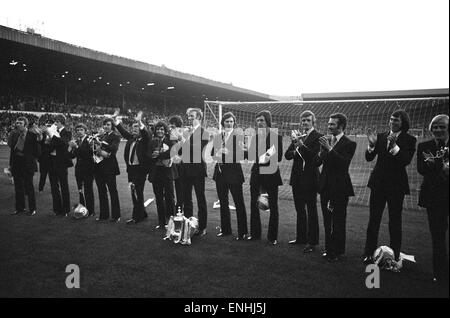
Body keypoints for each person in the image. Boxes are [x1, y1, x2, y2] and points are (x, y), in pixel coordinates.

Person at [363, 110, 417, 264]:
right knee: (374, 219)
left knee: (395, 221)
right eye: (391, 119)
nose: (392, 122)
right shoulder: (380, 136)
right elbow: (369, 158)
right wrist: (371, 145)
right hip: (378, 183)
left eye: (396, 120)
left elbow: (405, 161)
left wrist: (394, 146)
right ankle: (368, 253)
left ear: (403, 123)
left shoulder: (409, 139)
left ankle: (395, 255)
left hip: (396, 185)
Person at [315, 113, 356, 262]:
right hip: (325, 186)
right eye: (329, 123)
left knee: (338, 220)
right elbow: (318, 162)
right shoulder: (326, 141)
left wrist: (330, 149)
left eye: (332, 124)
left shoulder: (349, 143)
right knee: (327, 220)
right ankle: (328, 249)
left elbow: (343, 164)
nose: (329, 126)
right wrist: (321, 151)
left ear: (341, 126)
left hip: (339, 188)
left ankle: (338, 251)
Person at [285, 110, 322, 253]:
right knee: (299, 209)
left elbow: (314, 158)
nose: (305, 122)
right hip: (297, 179)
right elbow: (287, 155)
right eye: (303, 120)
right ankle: (301, 237)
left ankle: (312, 242)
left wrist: (300, 145)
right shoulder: (298, 136)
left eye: (308, 120)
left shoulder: (319, 137)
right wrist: (295, 148)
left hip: (310, 179)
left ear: (313, 121)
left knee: (311, 210)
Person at [417, 114, 449, 283]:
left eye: (442, 126)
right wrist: (441, 166)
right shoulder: (424, 146)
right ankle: (440, 272)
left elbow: (431, 167)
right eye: (435, 127)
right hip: (434, 197)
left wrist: (434, 163)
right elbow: (422, 169)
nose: (438, 130)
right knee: (437, 236)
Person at [245, 110, 283, 245]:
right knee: (254, 204)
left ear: (267, 120)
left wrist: (264, 157)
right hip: (256, 174)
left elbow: (278, 157)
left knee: (273, 206)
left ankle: (272, 237)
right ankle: (255, 234)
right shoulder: (255, 137)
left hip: (271, 175)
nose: (259, 123)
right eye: (258, 120)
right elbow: (250, 155)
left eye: (262, 120)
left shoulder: (276, 136)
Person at [212, 112, 248, 240]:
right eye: (227, 121)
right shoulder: (218, 136)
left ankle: (242, 232)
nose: (229, 123)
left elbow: (243, 154)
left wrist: (226, 153)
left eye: (231, 121)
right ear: (223, 123)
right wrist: (218, 153)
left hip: (234, 174)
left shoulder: (238, 136)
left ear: (234, 123)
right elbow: (212, 153)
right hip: (220, 174)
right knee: (223, 202)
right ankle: (226, 229)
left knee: (239, 203)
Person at [113, 112, 149, 224]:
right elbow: (123, 131)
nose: (134, 129)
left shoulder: (145, 140)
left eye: (137, 127)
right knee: (134, 192)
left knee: (137, 191)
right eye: (133, 127)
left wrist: (140, 122)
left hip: (140, 170)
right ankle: (142, 213)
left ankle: (136, 217)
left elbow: (146, 134)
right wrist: (116, 121)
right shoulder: (131, 138)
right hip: (131, 170)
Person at [179, 108, 209, 236]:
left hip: (197, 171)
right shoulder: (186, 132)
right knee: (187, 199)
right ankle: (188, 224)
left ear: (199, 118)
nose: (190, 118)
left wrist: (183, 140)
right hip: (185, 170)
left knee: (200, 199)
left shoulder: (204, 133)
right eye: (189, 116)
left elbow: (196, 151)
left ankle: (202, 227)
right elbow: (181, 151)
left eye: (192, 116)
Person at [148, 121, 178, 229]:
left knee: (170, 197)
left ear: (165, 130)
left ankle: (172, 221)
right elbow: (148, 154)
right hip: (156, 173)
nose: (160, 131)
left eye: (162, 129)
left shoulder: (170, 140)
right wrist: (154, 155)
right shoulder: (152, 142)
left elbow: (173, 152)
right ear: (155, 131)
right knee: (159, 198)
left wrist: (159, 154)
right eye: (158, 129)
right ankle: (161, 222)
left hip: (168, 173)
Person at [8, 116, 40, 216]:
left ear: (25, 124)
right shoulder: (15, 135)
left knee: (29, 187)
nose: (18, 125)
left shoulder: (32, 135)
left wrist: (39, 139)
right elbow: (12, 151)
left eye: (20, 123)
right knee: (18, 187)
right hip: (17, 164)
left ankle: (32, 209)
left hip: (27, 165)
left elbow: (37, 152)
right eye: (17, 123)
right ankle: (19, 208)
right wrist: (10, 165)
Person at [43, 114, 73, 217]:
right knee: (54, 186)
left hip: (61, 162)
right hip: (51, 161)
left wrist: (51, 136)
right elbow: (50, 146)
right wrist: (47, 141)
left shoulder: (67, 133)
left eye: (56, 122)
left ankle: (65, 210)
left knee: (64, 186)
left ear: (60, 122)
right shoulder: (52, 132)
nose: (54, 124)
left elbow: (62, 143)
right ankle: (57, 209)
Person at [94, 118, 121, 223]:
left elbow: (113, 149)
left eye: (108, 125)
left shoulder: (115, 136)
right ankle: (104, 215)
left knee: (113, 191)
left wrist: (100, 143)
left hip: (109, 168)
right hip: (99, 166)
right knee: (101, 192)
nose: (106, 126)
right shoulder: (102, 135)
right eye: (104, 125)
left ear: (112, 126)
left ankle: (116, 215)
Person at [68, 123, 96, 217]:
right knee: (80, 190)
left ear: (85, 131)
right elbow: (71, 156)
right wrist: (70, 147)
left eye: (81, 130)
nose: (79, 132)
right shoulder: (77, 141)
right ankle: (83, 210)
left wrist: (76, 147)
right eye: (78, 130)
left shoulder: (89, 140)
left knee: (88, 190)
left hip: (88, 168)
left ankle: (91, 211)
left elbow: (87, 153)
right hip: (79, 169)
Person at [168, 115, 184, 211]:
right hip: (170, 166)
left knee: (180, 189)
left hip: (180, 166)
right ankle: (170, 209)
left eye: (173, 126)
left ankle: (179, 209)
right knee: (169, 190)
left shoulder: (183, 136)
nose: (171, 128)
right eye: (170, 126)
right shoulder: (169, 135)